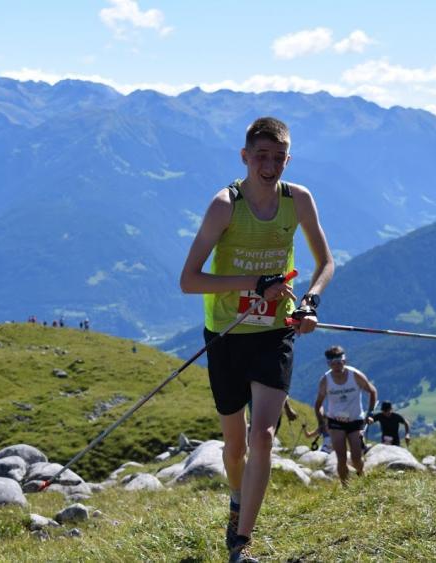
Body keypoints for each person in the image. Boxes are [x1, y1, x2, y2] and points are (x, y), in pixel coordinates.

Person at [180, 116, 333, 563]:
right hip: (226, 334)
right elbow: (189, 281)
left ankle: (240, 545)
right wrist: (255, 281)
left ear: (288, 158)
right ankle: (235, 499)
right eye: (261, 156)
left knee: (262, 435)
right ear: (245, 157)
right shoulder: (224, 205)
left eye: (279, 157)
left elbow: (326, 263)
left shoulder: (299, 200)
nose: (270, 166)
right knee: (235, 448)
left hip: (274, 332)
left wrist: (310, 304)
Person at [314, 345, 377, 486]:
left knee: (356, 457)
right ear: (328, 363)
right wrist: (321, 423)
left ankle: (362, 477)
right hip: (335, 422)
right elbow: (318, 405)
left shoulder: (355, 375)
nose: (336, 366)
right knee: (341, 458)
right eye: (333, 363)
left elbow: (372, 391)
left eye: (339, 362)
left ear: (344, 360)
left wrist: (370, 412)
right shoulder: (325, 380)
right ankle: (345, 487)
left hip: (355, 420)